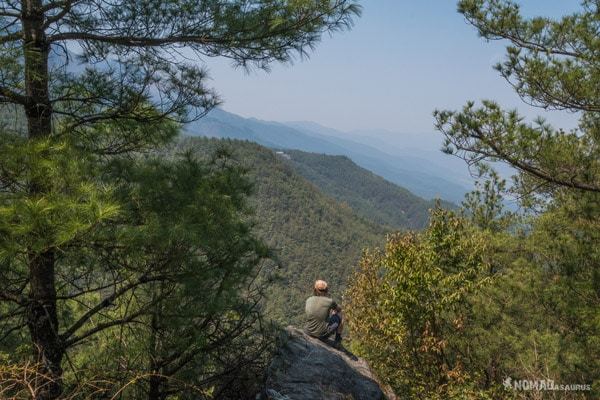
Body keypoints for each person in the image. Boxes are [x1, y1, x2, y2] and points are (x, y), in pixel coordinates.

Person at [304, 279, 343, 345]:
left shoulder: (309, 300)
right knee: (340, 315)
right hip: (322, 335)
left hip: (308, 331)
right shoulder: (330, 301)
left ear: (315, 289)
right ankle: (337, 340)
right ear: (326, 290)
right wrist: (334, 312)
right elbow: (339, 309)